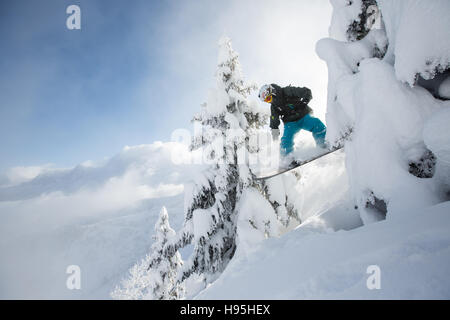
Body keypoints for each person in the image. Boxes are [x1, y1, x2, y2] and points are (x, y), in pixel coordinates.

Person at [258, 83, 327, 161]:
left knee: (316, 124)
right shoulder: (274, 106)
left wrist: (304, 102)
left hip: (303, 116)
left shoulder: (287, 91)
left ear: (272, 92)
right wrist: (275, 132)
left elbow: (307, 91)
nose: (269, 102)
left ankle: (323, 144)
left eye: (269, 99)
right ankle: (287, 159)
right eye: (267, 101)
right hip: (290, 123)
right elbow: (274, 119)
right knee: (286, 141)